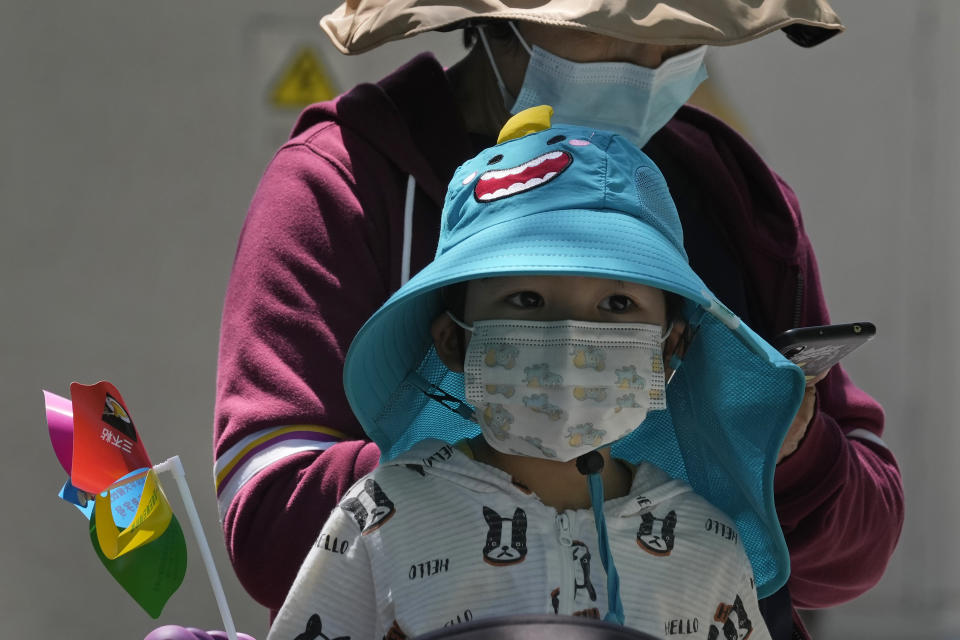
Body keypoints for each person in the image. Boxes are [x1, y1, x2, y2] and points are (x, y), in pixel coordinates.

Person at [213, 3, 904, 638]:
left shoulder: (734, 193)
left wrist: (784, 449)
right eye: (623, 18)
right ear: (498, 19)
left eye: (682, 26)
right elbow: (270, 514)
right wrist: (510, 459)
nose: (655, 54)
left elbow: (853, 555)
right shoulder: (343, 183)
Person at [265, 108, 805, 640]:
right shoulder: (383, 518)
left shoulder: (706, 542)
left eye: (617, 304)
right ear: (453, 340)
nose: (571, 336)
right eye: (527, 299)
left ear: (669, 350)